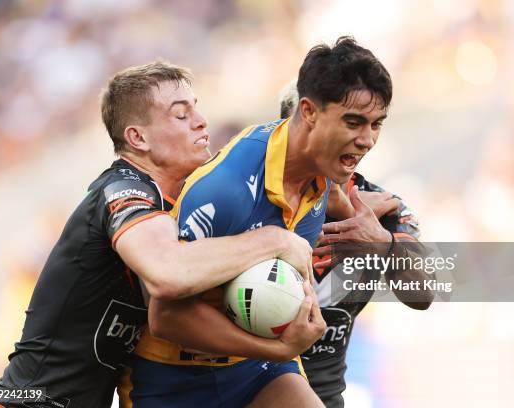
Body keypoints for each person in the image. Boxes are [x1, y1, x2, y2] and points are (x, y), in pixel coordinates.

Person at [0, 61, 322, 408]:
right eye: (180, 114)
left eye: (196, 107)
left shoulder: (179, 205)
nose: (201, 120)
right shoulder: (122, 189)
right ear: (137, 137)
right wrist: (273, 240)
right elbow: (168, 272)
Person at [126, 36, 396, 408]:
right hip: (173, 378)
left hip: (259, 370)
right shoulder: (227, 188)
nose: (366, 140)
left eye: (376, 125)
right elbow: (165, 317)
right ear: (309, 111)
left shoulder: (329, 184)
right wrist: (279, 347)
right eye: (353, 122)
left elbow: (427, 292)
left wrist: (386, 245)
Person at [280, 80, 433, 407]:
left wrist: (385, 246)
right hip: (248, 392)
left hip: (326, 395)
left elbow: (424, 294)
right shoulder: (259, 199)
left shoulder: (384, 208)